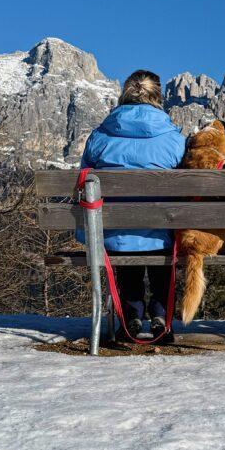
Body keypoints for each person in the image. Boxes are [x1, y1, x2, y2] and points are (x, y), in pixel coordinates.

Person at [77, 70, 185, 343]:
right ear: (157, 97)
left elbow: (83, 182)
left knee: (125, 238)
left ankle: (130, 317)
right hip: (163, 231)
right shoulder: (174, 139)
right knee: (157, 236)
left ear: (124, 95)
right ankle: (161, 316)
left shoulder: (99, 137)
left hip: (113, 231)